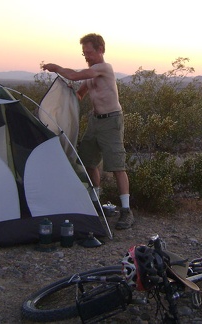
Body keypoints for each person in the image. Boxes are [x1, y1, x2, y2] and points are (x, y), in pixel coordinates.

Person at [42, 33, 134, 230]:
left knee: (117, 165)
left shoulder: (104, 68)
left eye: (89, 53)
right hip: (95, 121)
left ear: (100, 50)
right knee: (88, 161)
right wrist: (65, 95)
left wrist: (56, 68)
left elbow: (75, 75)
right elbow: (79, 93)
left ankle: (126, 211)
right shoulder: (93, 73)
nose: (86, 57)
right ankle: (95, 202)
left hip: (111, 121)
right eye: (84, 53)